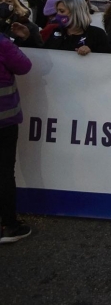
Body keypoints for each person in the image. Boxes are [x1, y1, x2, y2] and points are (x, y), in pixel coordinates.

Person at [0, 32, 32, 243]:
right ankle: (9, 225)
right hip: (4, 120)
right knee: (3, 171)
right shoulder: (2, 43)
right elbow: (24, 66)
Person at [42, 0, 111, 55]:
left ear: (76, 12)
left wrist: (91, 53)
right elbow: (45, 54)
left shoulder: (97, 34)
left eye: (62, 11)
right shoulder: (56, 31)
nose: (58, 14)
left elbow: (106, 60)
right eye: (57, 11)